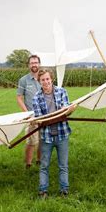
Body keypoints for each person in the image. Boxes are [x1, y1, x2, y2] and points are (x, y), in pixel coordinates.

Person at [33, 68, 76, 198]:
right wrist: (61, 113)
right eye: (42, 80)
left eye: (47, 79)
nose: (45, 82)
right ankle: (43, 191)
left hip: (62, 134)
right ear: (39, 81)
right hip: (46, 137)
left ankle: (64, 190)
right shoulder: (36, 97)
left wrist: (69, 110)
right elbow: (40, 118)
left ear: (52, 79)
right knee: (44, 166)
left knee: (63, 165)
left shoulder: (62, 91)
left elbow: (66, 110)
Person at [16, 55, 42, 169]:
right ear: (29, 65)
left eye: (36, 62)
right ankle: (28, 164)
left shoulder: (44, 77)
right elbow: (19, 98)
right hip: (31, 115)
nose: (34, 65)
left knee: (43, 139)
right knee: (31, 141)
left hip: (45, 114)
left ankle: (39, 160)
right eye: (32, 63)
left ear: (39, 64)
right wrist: (27, 114)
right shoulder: (24, 80)